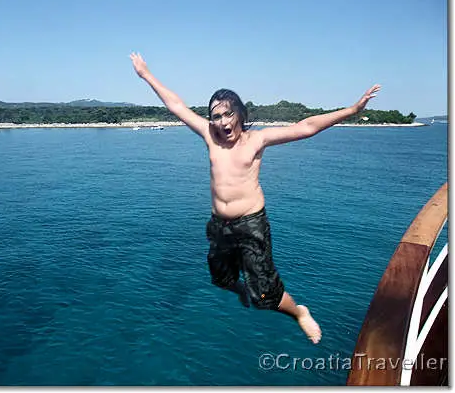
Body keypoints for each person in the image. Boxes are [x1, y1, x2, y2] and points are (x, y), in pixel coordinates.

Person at [130, 52, 380, 344]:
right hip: (219, 224)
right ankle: (241, 289)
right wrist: (146, 74)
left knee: (265, 295)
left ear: (239, 114)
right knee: (221, 279)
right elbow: (176, 105)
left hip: (250, 225)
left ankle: (299, 312)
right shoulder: (209, 134)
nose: (222, 122)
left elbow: (306, 127)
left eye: (227, 114)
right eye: (216, 116)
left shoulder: (256, 140)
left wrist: (352, 110)